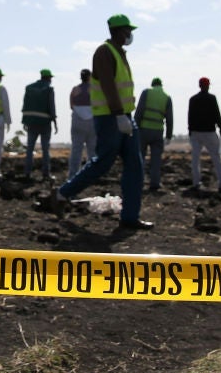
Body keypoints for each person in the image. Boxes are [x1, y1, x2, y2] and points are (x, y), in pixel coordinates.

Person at [54, 14, 151, 230]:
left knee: (135, 166)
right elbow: (108, 85)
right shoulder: (104, 52)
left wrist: (124, 116)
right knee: (102, 163)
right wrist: (117, 115)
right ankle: (62, 194)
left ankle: (129, 217)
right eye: (128, 30)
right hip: (110, 118)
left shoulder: (119, 53)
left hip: (124, 117)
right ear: (118, 31)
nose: (130, 34)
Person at [188, 77, 221, 192]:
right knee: (216, 158)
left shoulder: (193, 99)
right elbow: (217, 113)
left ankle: (196, 183)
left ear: (199, 85)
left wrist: (190, 131)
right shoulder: (212, 98)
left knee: (195, 159)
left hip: (196, 133)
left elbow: (190, 116)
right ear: (208, 85)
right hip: (209, 132)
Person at [135, 77, 173, 192]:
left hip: (144, 130)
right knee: (156, 160)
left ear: (152, 84)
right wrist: (169, 135)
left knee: (140, 157)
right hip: (158, 131)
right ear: (161, 85)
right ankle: (154, 183)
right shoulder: (166, 97)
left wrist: (134, 128)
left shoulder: (146, 93)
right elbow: (169, 118)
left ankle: (138, 182)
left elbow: (139, 111)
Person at [22, 69, 57, 180]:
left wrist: (24, 120)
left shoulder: (29, 88)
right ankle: (46, 174)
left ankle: (27, 173)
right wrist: (55, 121)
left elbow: (25, 104)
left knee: (30, 148)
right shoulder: (49, 89)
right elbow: (52, 106)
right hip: (45, 123)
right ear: (48, 78)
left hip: (31, 122)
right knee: (45, 149)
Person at [68, 69, 97, 179]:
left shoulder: (75, 89)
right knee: (92, 151)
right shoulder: (94, 89)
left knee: (76, 150)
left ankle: (72, 176)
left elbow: (71, 106)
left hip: (77, 121)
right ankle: (91, 175)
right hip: (92, 121)